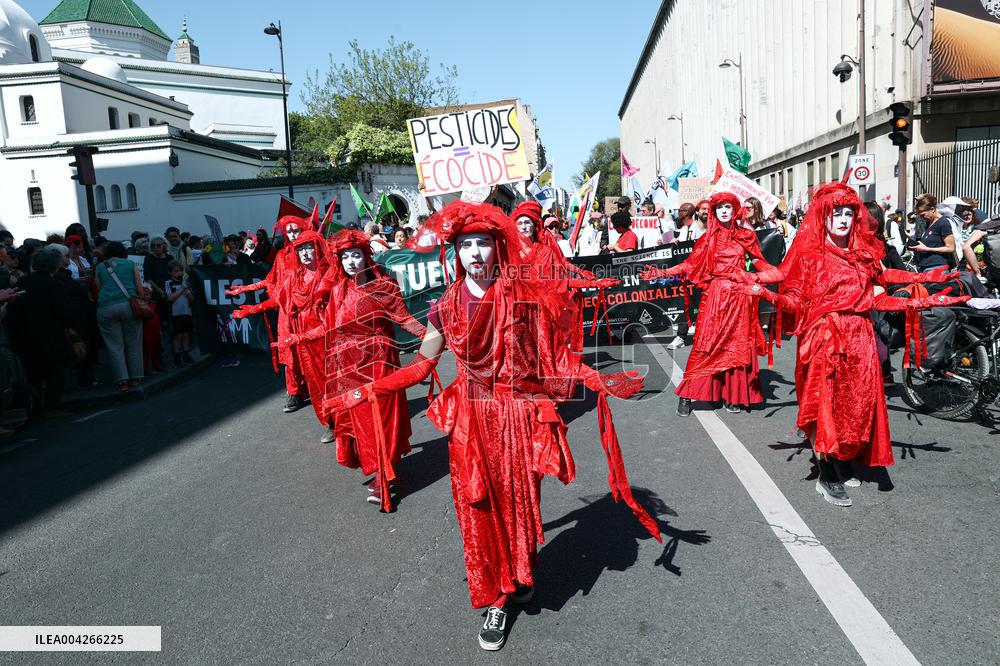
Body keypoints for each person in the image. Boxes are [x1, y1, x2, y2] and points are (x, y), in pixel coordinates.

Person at [325, 201, 656, 651]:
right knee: (478, 507)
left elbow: (555, 360)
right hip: (471, 422)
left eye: (483, 243)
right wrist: (368, 391)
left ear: (498, 249)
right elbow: (422, 366)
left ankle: (521, 571)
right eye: (466, 246)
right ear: (455, 253)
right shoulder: (444, 306)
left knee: (519, 503)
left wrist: (600, 379)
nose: (476, 253)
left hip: (517, 416)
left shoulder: (523, 299)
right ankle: (498, 599)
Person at [739, 183, 968, 506]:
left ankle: (843, 459)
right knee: (824, 405)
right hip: (823, 338)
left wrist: (921, 296)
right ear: (823, 216)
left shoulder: (863, 254)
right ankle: (827, 473)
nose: (844, 219)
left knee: (855, 407)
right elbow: (793, 300)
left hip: (860, 338)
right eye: (836, 212)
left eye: (849, 212)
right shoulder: (808, 254)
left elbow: (879, 296)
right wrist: (765, 293)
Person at [278, 229, 425, 506]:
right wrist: (299, 337)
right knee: (363, 427)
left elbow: (405, 320)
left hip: (381, 366)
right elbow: (328, 327)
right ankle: (382, 471)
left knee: (381, 422)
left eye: (356, 255)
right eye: (345, 257)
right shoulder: (337, 291)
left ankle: (384, 477)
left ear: (366, 257)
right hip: (349, 372)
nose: (351, 262)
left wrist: (432, 335)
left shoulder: (385, 287)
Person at [640, 191, 782, 416]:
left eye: (728, 207)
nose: (724, 211)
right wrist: (662, 272)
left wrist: (773, 273)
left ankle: (733, 395)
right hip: (714, 298)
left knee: (736, 345)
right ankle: (686, 395)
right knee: (704, 346)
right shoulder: (707, 239)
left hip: (738, 297)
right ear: (714, 212)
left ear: (735, 210)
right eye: (719, 208)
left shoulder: (746, 235)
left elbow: (758, 262)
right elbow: (688, 265)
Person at [234, 231, 332, 419]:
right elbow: (279, 298)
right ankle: (330, 421)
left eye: (308, 247)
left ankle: (340, 422)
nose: (304, 253)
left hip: (327, 333)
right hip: (302, 331)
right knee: (310, 376)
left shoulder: (330, 273)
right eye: (300, 249)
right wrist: (251, 308)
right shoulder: (294, 276)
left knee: (331, 377)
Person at [227, 215, 309, 410]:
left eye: (295, 230)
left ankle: (318, 392)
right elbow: (270, 281)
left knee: (311, 354)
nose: (292, 234)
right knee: (290, 356)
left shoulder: (311, 252)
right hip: (287, 314)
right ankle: (294, 392)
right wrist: (245, 289)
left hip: (308, 312)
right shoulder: (282, 256)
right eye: (288, 231)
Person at [8, 249, 85, 410]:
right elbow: (64, 311)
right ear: (54, 265)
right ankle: (52, 407)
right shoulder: (54, 283)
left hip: (25, 336)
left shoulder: (23, 282)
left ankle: (35, 408)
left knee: (33, 374)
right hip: (51, 334)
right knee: (55, 373)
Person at [94, 242, 144, 392]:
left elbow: (98, 286)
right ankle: (135, 377)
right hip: (129, 305)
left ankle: (122, 381)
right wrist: (141, 298)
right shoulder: (130, 264)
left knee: (114, 346)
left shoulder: (101, 266)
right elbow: (139, 287)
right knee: (133, 342)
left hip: (106, 307)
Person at [910, 194, 957, 272]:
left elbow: (950, 248)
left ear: (932, 209)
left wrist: (927, 249)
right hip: (925, 266)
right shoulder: (929, 223)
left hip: (937, 268)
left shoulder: (943, 223)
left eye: (922, 215)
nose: (921, 217)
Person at [164, 261, 194, 367]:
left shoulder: (186, 283)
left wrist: (188, 292)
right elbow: (169, 298)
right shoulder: (168, 283)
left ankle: (186, 355)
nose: (179, 273)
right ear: (170, 273)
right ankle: (177, 358)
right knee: (177, 336)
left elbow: (192, 300)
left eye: (180, 271)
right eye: (176, 271)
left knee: (186, 335)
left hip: (187, 312)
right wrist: (182, 289)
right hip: (175, 314)